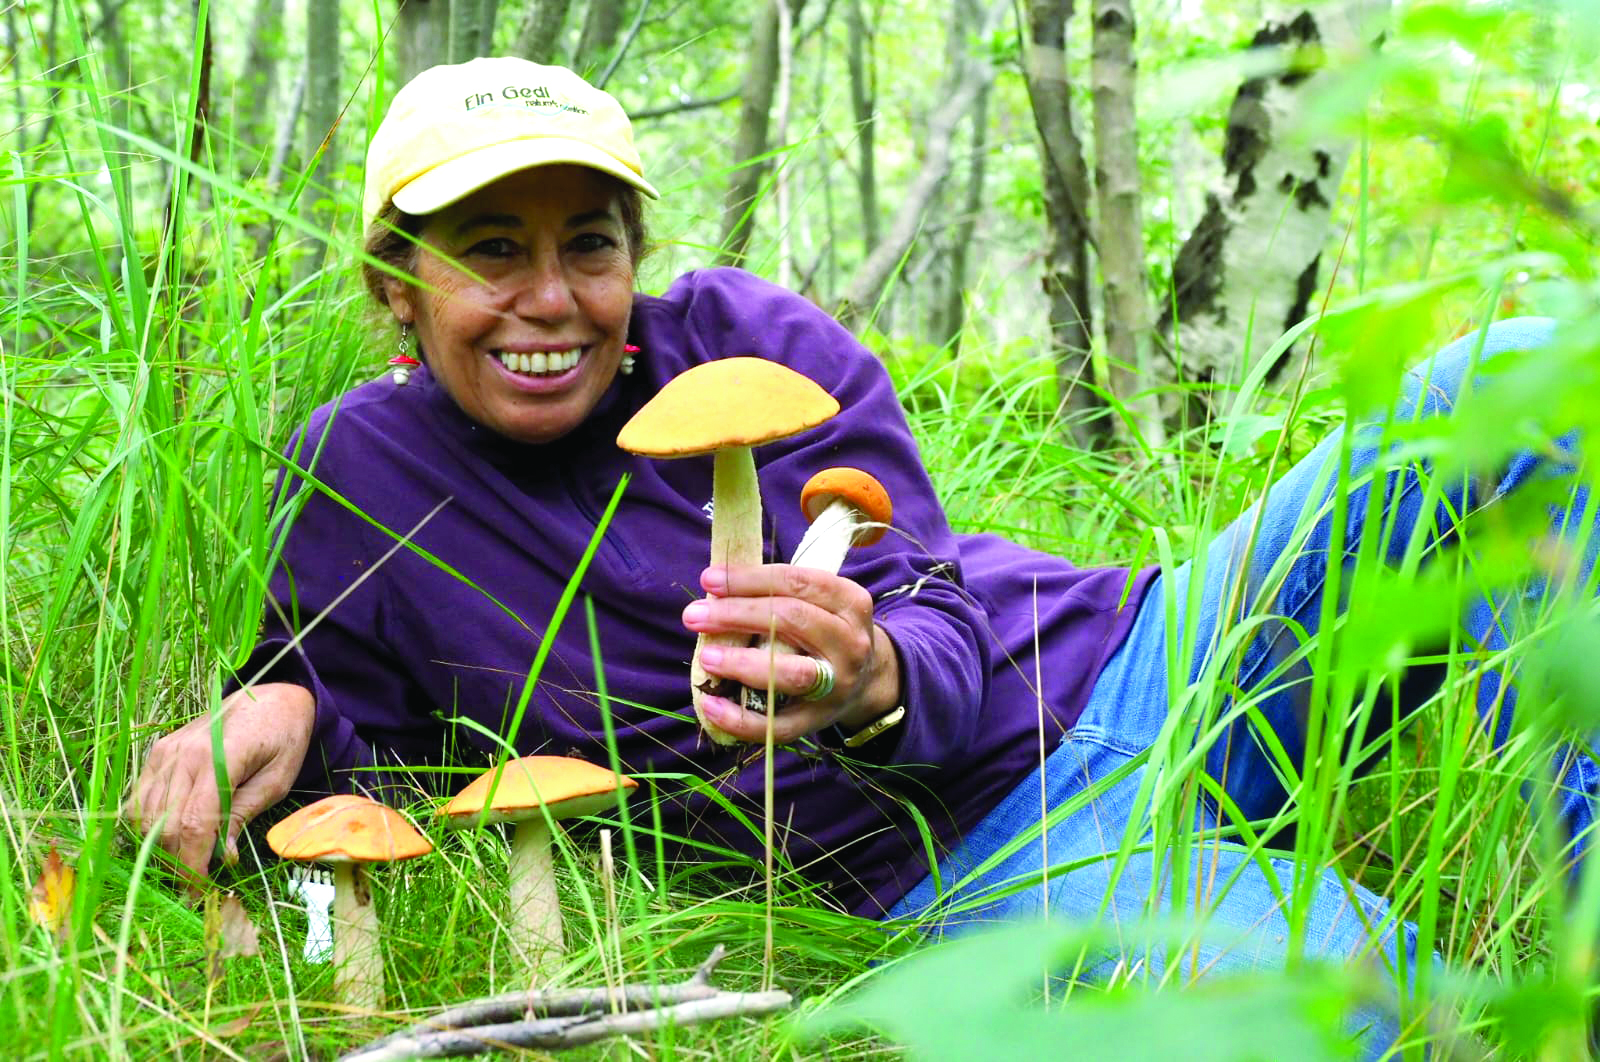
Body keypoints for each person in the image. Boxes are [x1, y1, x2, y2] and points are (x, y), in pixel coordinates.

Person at [128, 56, 1595, 1050]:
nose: (549, 297)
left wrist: (877, 674)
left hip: (1147, 658)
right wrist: (279, 707)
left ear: (634, 256)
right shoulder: (358, 475)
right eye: (489, 250)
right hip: (970, 855)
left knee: (1524, 377)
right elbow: (365, 745)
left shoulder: (748, 344)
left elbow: (927, 590)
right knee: (1372, 993)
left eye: (590, 241)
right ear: (399, 286)